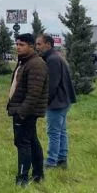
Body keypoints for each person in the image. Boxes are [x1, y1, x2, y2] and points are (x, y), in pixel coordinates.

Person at [8, 33, 49, 186]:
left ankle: (22, 178)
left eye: (22, 44)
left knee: (23, 143)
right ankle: (38, 174)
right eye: (17, 44)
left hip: (26, 112)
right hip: (22, 109)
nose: (18, 47)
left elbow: (34, 93)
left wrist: (21, 113)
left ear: (31, 46)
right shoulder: (24, 62)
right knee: (31, 141)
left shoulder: (36, 64)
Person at [36, 34, 77, 169]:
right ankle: (62, 159)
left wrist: (44, 102)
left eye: (39, 44)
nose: (37, 47)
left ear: (48, 44)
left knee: (53, 132)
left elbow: (52, 84)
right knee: (61, 131)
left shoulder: (52, 59)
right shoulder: (56, 56)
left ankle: (52, 162)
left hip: (57, 102)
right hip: (64, 100)